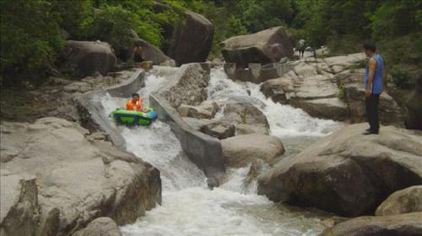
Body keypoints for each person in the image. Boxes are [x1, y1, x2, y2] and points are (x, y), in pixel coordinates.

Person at [363, 42, 385, 135]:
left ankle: (374, 129)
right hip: (378, 86)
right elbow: (383, 72)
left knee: (370, 108)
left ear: (368, 50)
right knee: (374, 107)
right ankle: (375, 127)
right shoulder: (379, 57)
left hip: (373, 88)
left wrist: (368, 88)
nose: (364, 52)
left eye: (364, 50)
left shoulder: (372, 60)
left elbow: (371, 75)